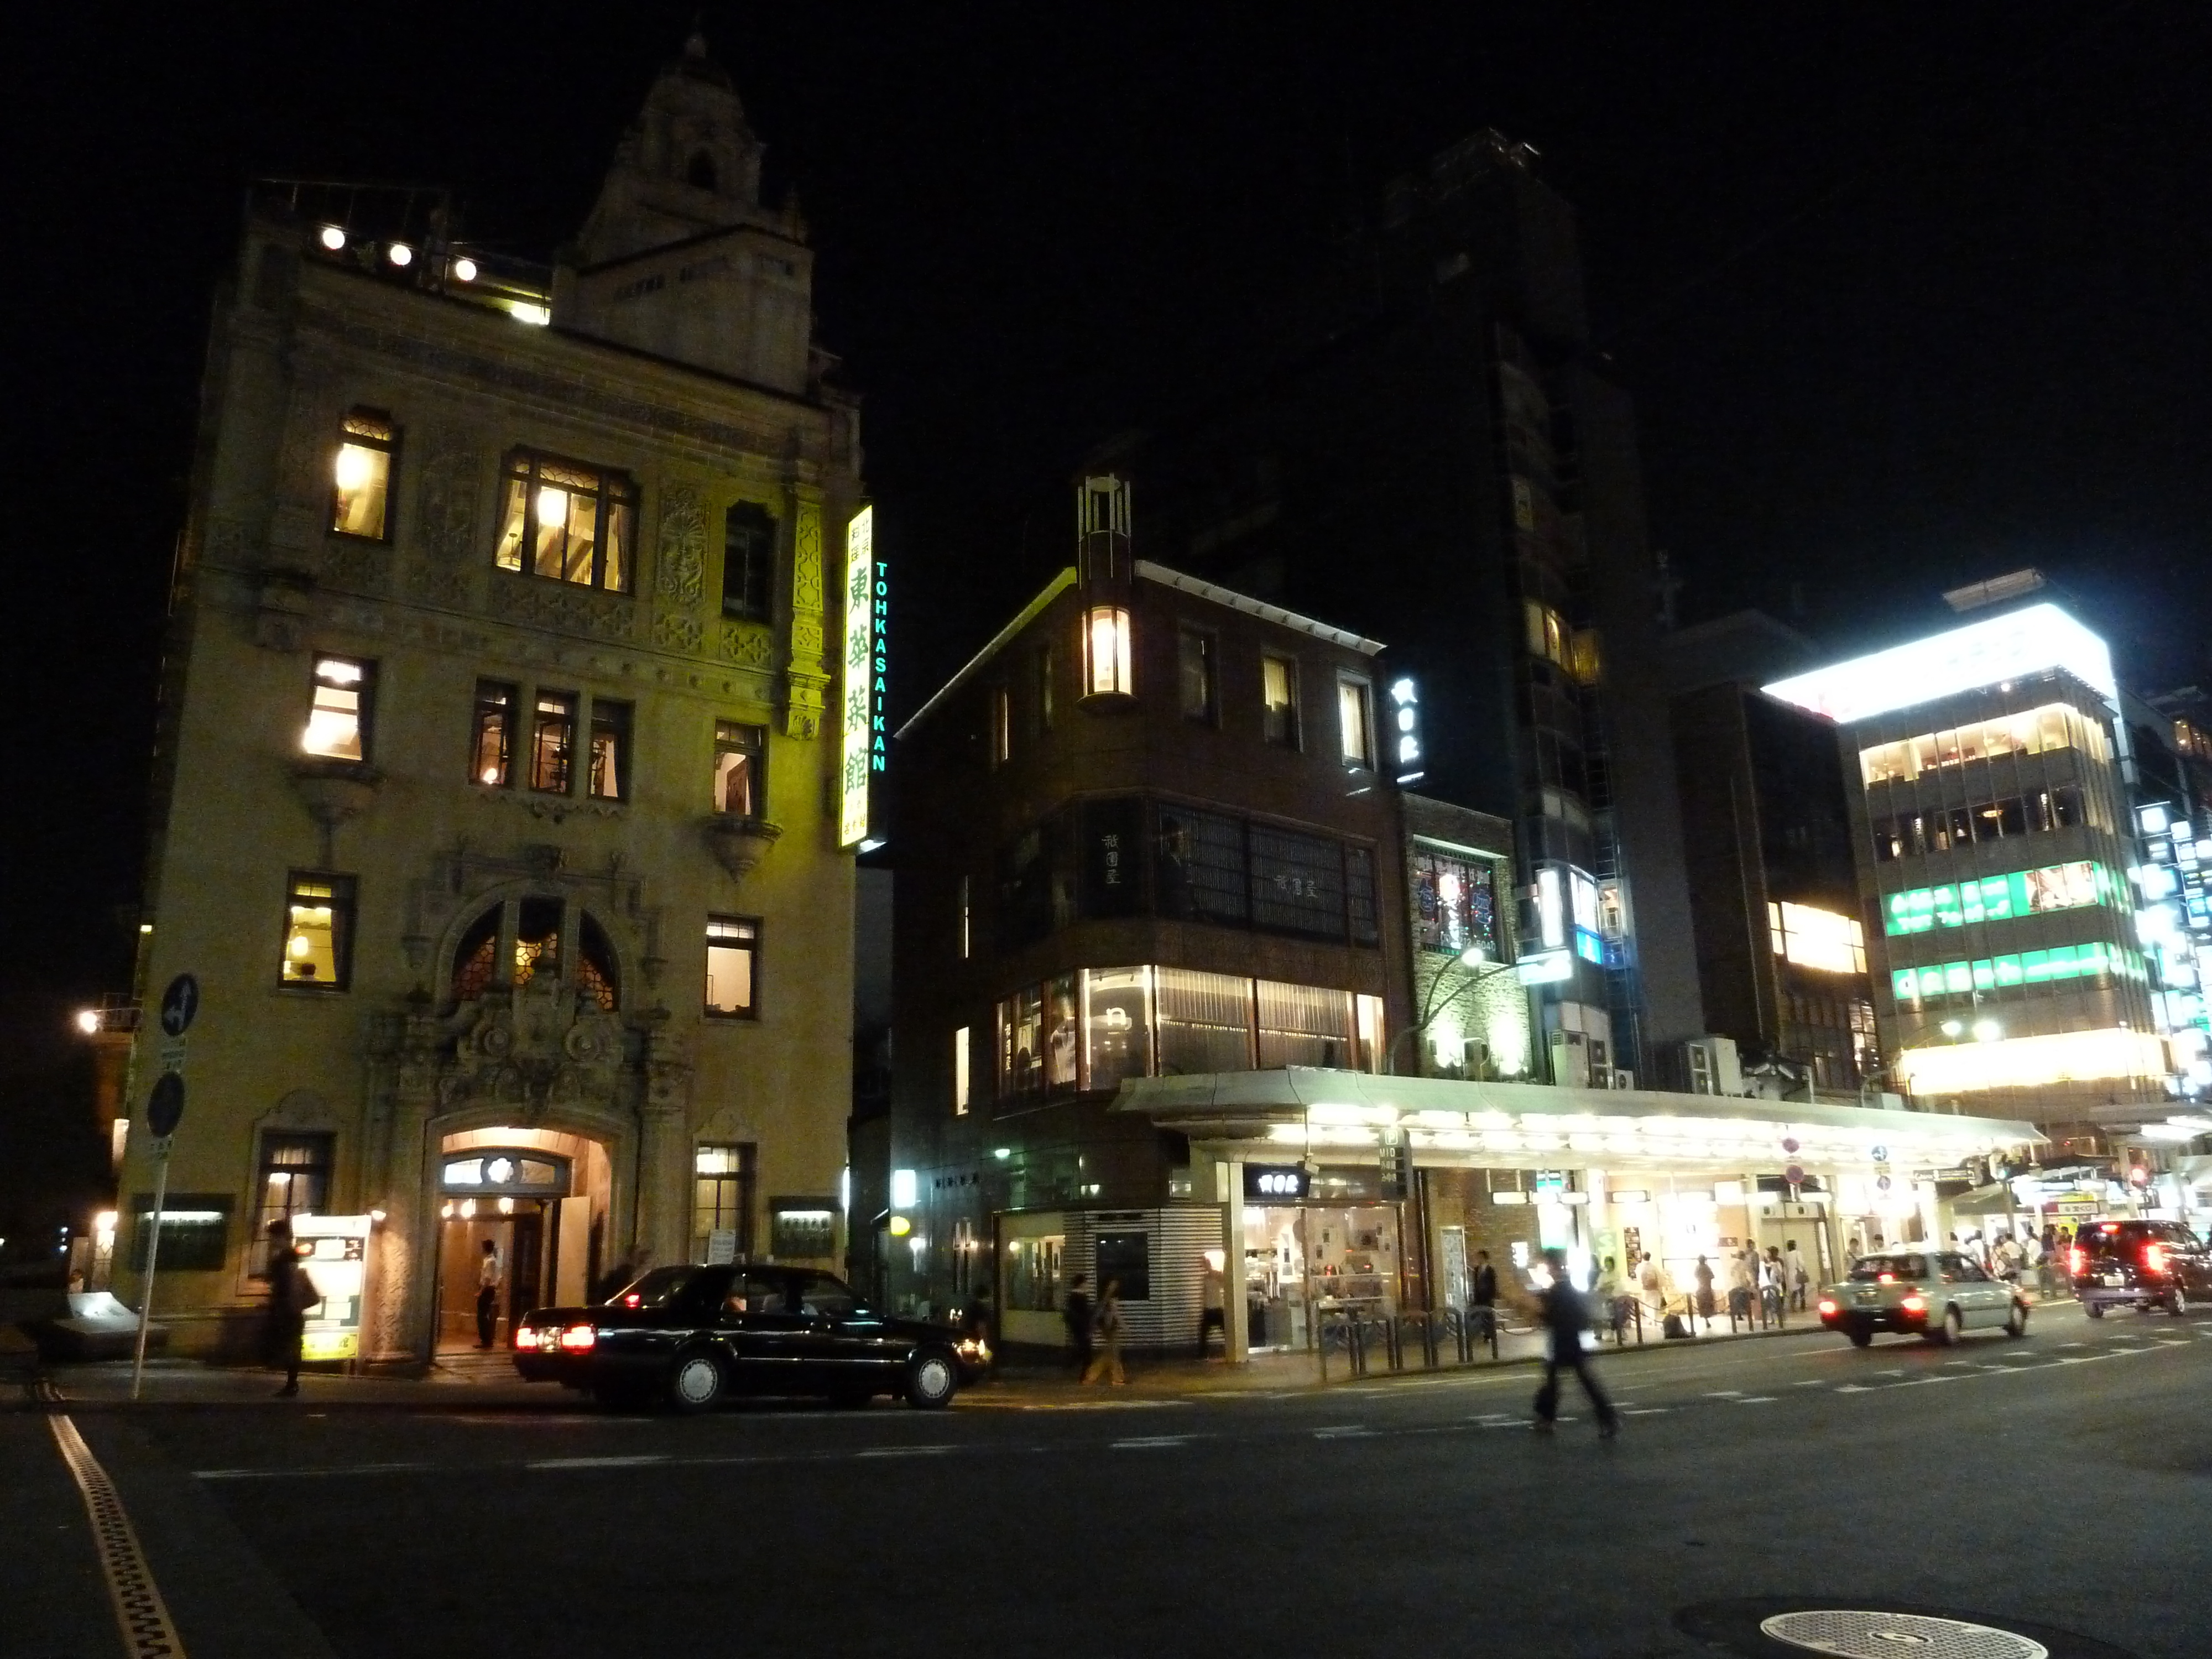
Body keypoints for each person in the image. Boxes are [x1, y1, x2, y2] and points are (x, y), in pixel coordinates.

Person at [1530, 1248, 1619, 1437]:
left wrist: (1541, 1314)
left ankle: (1548, 1419)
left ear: (1552, 1265)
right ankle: (1606, 1418)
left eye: (1547, 1264)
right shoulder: (1564, 1287)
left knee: (1567, 1382)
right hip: (1568, 1341)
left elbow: (1555, 1316)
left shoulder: (1560, 1288)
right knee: (1573, 1382)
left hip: (1565, 1342)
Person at [261, 1219, 314, 1397]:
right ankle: (291, 1383)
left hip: (288, 1309)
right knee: (291, 1345)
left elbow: (288, 1283)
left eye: (273, 1237)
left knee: (290, 1345)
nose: (271, 1240)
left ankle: (292, 1384)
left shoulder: (287, 1257)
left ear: (281, 1236)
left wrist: (287, 1305)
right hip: (288, 1308)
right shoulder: (287, 1255)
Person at [1082, 1279, 1126, 1386]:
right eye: (1112, 1285)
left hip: (1108, 1329)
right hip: (1110, 1330)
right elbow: (1114, 1315)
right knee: (1112, 1354)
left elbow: (1102, 1315)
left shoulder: (1105, 1299)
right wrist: (1124, 1327)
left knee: (1110, 1354)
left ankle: (1092, 1377)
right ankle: (1115, 1378)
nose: (1114, 1286)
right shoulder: (1109, 1300)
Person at [1063, 1273, 1094, 1375]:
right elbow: (1085, 1314)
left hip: (1076, 1327)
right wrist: (1088, 1328)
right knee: (1086, 1353)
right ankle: (1082, 1374)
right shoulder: (1081, 1297)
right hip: (1082, 1328)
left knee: (1082, 1350)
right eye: (1086, 1282)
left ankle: (1073, 1366)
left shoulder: (1072, 1297)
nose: (1088, 1285)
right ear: (1082, 1283)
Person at [1197, 1254, 1227, 1359]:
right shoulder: (1208, 1277)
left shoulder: (1216, 1275)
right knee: (1204, 1333)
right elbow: (1205, 1293)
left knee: (1205, 1332)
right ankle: (1203, 1354)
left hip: (1215, 1307)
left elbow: (1225, 1283)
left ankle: (1203, 1354)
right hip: (1212, 1307)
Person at [1469, 1249, 1499, 1346]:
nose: (1479, 1259)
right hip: (1479, 1297)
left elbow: (1493, 1284)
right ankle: (1479, 1333)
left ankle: (1489, 1335)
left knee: (1488, 1317)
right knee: (1478, 1316)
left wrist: (1492, 1296)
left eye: (1480, 1257)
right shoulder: (1476, 1270)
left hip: (1487, 1297)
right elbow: (1475, 1283)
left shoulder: (1490, 1270)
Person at [475, 1239, 502, 1348]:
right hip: (489, 1289)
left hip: (487, 1290)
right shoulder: (490, 1260)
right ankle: (485, 1340)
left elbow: (487, 1278)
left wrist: (480, 1292)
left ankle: (486, 1341)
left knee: (482, 1315)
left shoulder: (490, 1261)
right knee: (483, 1315)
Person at [1785, 1240, 1811, 1312]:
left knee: (1794, 1291)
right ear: (1795, 1246)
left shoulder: (1786, 1255)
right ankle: (1803, 1306)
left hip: (1790, 1274)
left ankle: (1792, 1306)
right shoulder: (1798, 1253)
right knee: (1802, 1290)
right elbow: (1801, 1263)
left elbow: (1786, 1267)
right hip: (1798, 1273)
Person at [1693, 1254, 1717, 1330]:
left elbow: (1695, 1276)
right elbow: (1712, 1276)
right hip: (1707, 1288)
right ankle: (1707, 1319)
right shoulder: (1707, 1268)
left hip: (1701, 1289)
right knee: (1708, 1305)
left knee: (1703, 1305)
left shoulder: (1698, 1268)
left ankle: (1706, 1319)